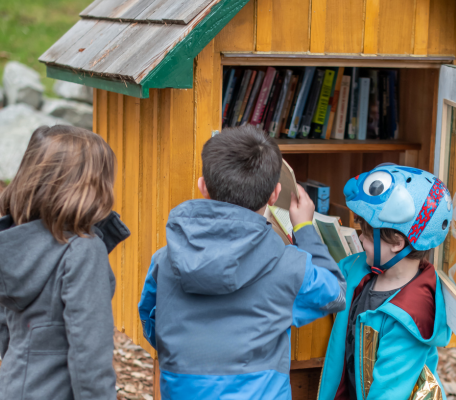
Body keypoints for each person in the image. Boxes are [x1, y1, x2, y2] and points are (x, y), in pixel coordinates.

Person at [138, 125, 346, 400]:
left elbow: (151, 319)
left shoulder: (164, 261)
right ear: (275, 194)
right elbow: (335, 294)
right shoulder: (291, 267)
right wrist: (305, 227)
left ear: (203, 186)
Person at [0, 125, 130, 400]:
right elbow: (90, 353)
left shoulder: (16, 243)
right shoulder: (84, 250)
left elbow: (5, 332)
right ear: (93, 188)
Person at [317, 164, 453, 400]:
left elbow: (387, 394)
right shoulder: (360, 269)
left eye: (367, 234)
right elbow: (322, 278)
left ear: (397, 243)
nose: (359, 238)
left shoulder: (409, 317)